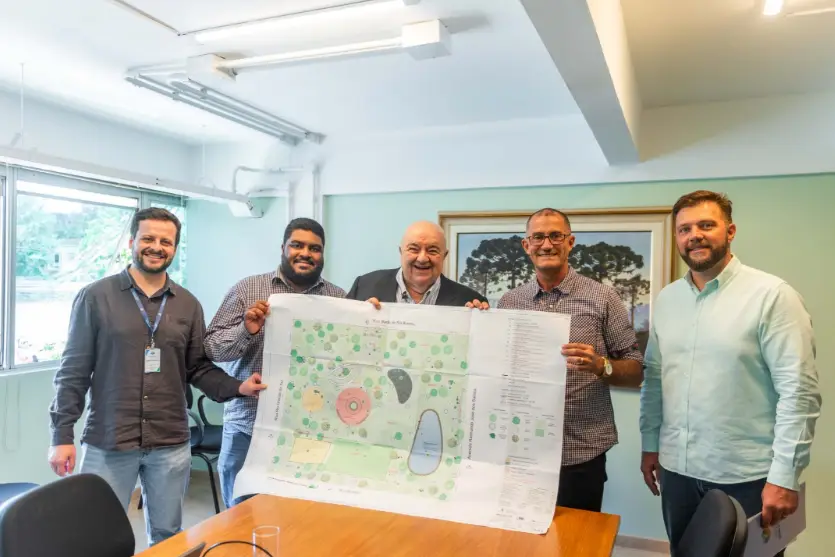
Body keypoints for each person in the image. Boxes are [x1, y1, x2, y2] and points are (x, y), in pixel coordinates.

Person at [48, 207, 266, 547]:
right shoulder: (96, 297)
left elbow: (197, 367)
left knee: (167, 537)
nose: (157, 247)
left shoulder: (187, 305)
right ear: (132, 242)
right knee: (95, 538)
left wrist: (238, 387)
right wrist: (61, 435)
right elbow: (73, 371)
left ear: (174, 248)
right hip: (110, 439)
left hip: (170, 441)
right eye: (148, 238)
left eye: (166, 241)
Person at [639, 190, 820, 556]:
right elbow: (655, 379)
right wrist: (650, 444)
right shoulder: (669, 300)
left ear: (730, 231)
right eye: (685, 229)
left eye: (706, 225)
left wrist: (785, 477)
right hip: (676, 473)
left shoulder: (772, 296)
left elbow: (799, 393)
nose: (695, 236)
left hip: (747, 477)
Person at [498, 208, 643, 512]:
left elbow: (636, 369)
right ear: (526, 245)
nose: (547, 244)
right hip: (523, 445)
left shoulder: (603, 298)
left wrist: (601, 366)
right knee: (520, 532)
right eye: (538, 237)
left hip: (581, 451)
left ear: (570, 242)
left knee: (577, 537)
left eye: (556, 236)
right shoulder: (509, 302)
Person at [204, 217, 346, 509]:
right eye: (297, 245)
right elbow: (212, 348)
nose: (305, 253)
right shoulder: (248, 290)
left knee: (301, 517)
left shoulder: (339, 298)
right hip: (248, 427)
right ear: (283, 248)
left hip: (310, 432)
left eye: (314, 248)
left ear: (323, 254)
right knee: (240, 517)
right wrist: (246, 330)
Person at [346, 220, 488, 309]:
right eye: (414, 249)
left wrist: (479, 322)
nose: (422, 258)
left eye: (432, 250)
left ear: (444, 256)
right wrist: (358, 320)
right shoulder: (363, 286)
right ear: (401, 252)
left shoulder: (469, 301)